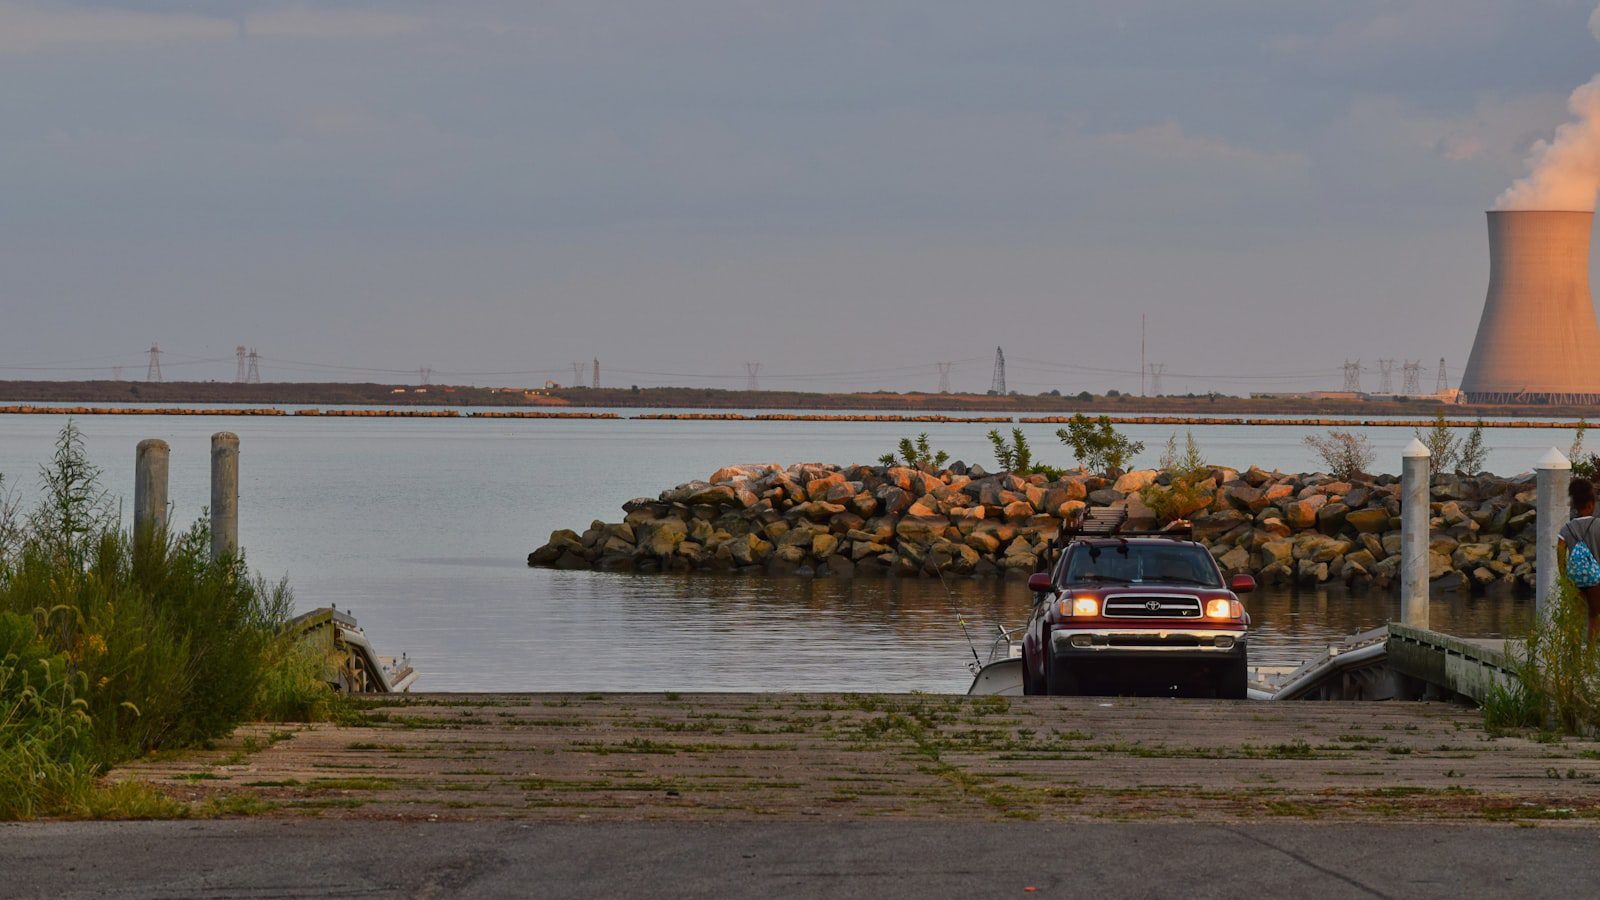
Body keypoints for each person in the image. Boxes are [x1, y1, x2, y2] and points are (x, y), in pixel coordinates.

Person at [1557, 478, 1600, 641]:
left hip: (1574, 579)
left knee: (1575, 618)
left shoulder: (1566, 528)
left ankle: (1574, 655)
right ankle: (1590, 656)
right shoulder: (1598, 525)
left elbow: (1560, 555)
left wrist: (1564, 578)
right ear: (1590, 504)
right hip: (1596, 580)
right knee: (1594, 616)